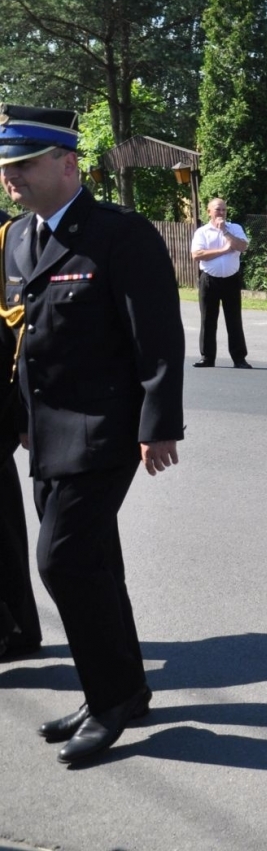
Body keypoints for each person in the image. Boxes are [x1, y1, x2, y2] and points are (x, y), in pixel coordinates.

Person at [0, 104, 185, 765]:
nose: (11, 176)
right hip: (46, 434)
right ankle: (124, 689)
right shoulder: (17, 238)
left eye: (24, 164)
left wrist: (159, 424)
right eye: (5, 167)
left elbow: (157, 336)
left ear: (67, 163)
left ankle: (108, 703)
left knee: (64, 560)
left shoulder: (119, 234)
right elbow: (17, 343)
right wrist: (17, 422)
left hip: (107, 429)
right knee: (97, 564)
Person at [0, 200, 40, 664]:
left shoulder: (9, 235)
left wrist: (24, 410)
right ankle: (17, 626)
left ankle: (14, 627)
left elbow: (20, 327)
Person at [190, 196, 251, 369]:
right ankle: (207, 357)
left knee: (234, 319)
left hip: (231, 280)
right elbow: (197, 255)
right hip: (209, 280)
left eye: (224, 209)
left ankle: (239, 358)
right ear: (209, 211)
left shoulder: (235, 228)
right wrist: (223, 250)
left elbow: (242, 246)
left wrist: (225, 231)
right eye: (218, 209)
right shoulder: (202, 232)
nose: (221, 213)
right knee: (208, 319)